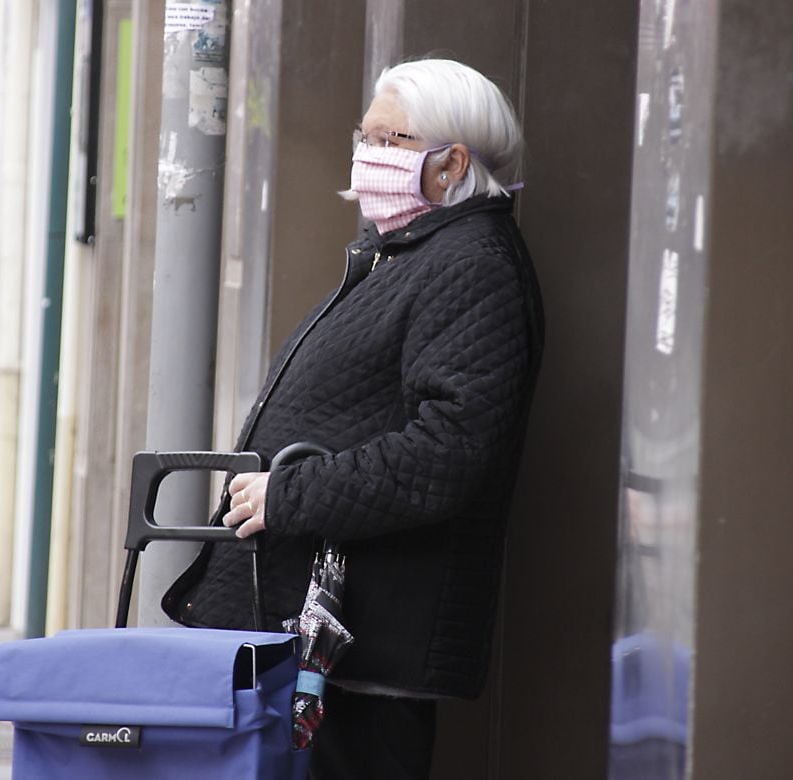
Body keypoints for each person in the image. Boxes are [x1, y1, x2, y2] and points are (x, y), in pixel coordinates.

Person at [162, 58, 545, 779]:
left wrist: (290, 493)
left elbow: (450, 452)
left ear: (451, 163)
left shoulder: (471, 265)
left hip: (361, 646)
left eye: (388, 141)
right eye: (362, 138)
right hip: (326, 645)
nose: (366, 156)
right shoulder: (406, 253)